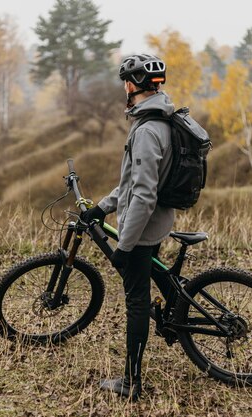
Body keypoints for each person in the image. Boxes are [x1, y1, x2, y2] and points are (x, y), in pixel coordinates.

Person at [81, 54, 175, 400]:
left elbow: (144, 194)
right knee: (157, 284)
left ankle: (131, 382)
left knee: (136, 302)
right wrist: (102, 207)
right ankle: (175, 316)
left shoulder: (148, 131)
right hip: (156, 224)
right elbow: (133, 184)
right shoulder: (159, 120)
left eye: (125, 81)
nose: (124, 86)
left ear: (132, 84)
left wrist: (125, 245)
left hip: (144, 228)